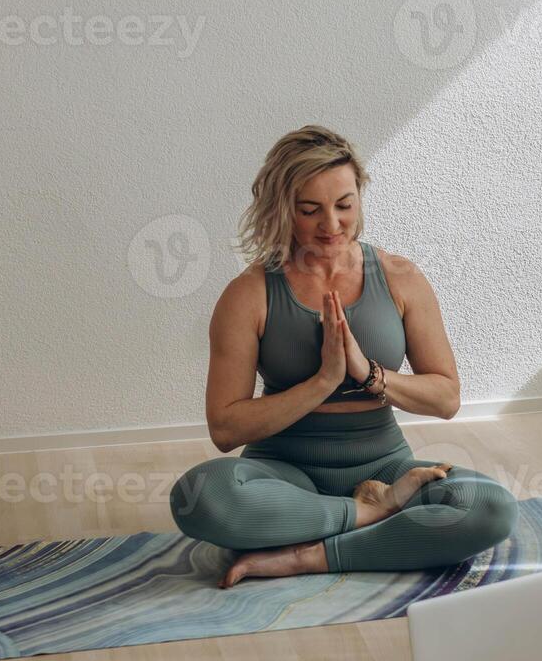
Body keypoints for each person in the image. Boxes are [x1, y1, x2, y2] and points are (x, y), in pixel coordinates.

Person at [169, 125, 519, 588]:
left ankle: (311, 554)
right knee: (200, 497)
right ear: (282, 209)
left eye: (344, 205)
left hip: (385, 467)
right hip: (283, 474)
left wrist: (368, 374)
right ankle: (374, 515)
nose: (331, 225)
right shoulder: (249, 294)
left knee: (490, 507)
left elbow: (446, 398)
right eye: (310, 209)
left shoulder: (400, 277)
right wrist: (323, 381)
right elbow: (226, 429)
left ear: (360, 196)